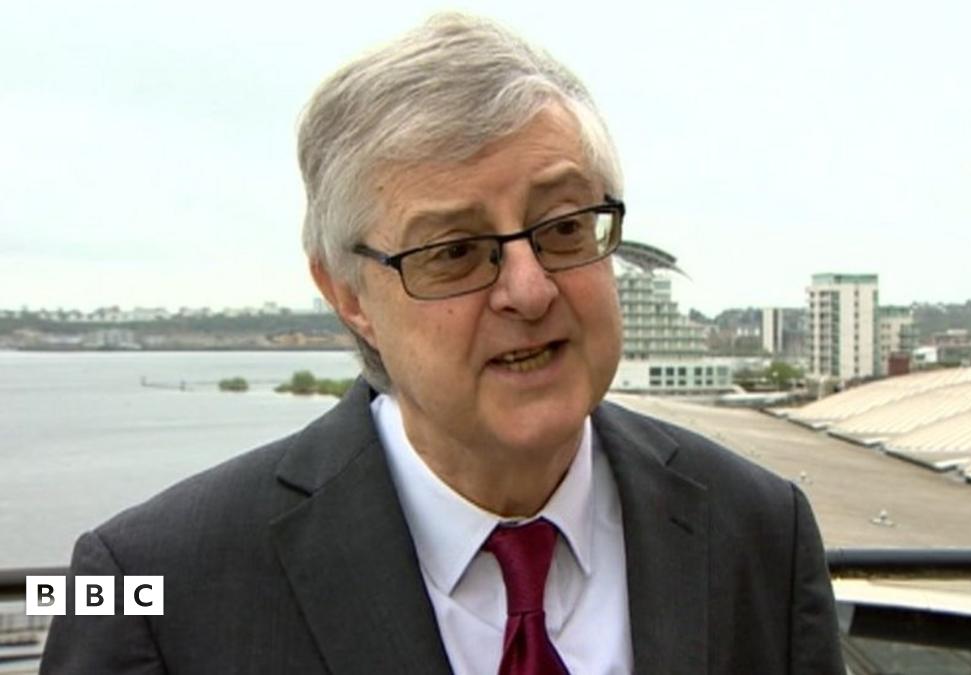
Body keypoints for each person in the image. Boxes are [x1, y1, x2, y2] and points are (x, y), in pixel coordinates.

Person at [41, 12, 843, 674]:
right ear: (349, 295)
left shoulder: (761, 530)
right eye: (455, 250)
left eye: (564, 227)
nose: (530, 289)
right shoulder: (145, 584)